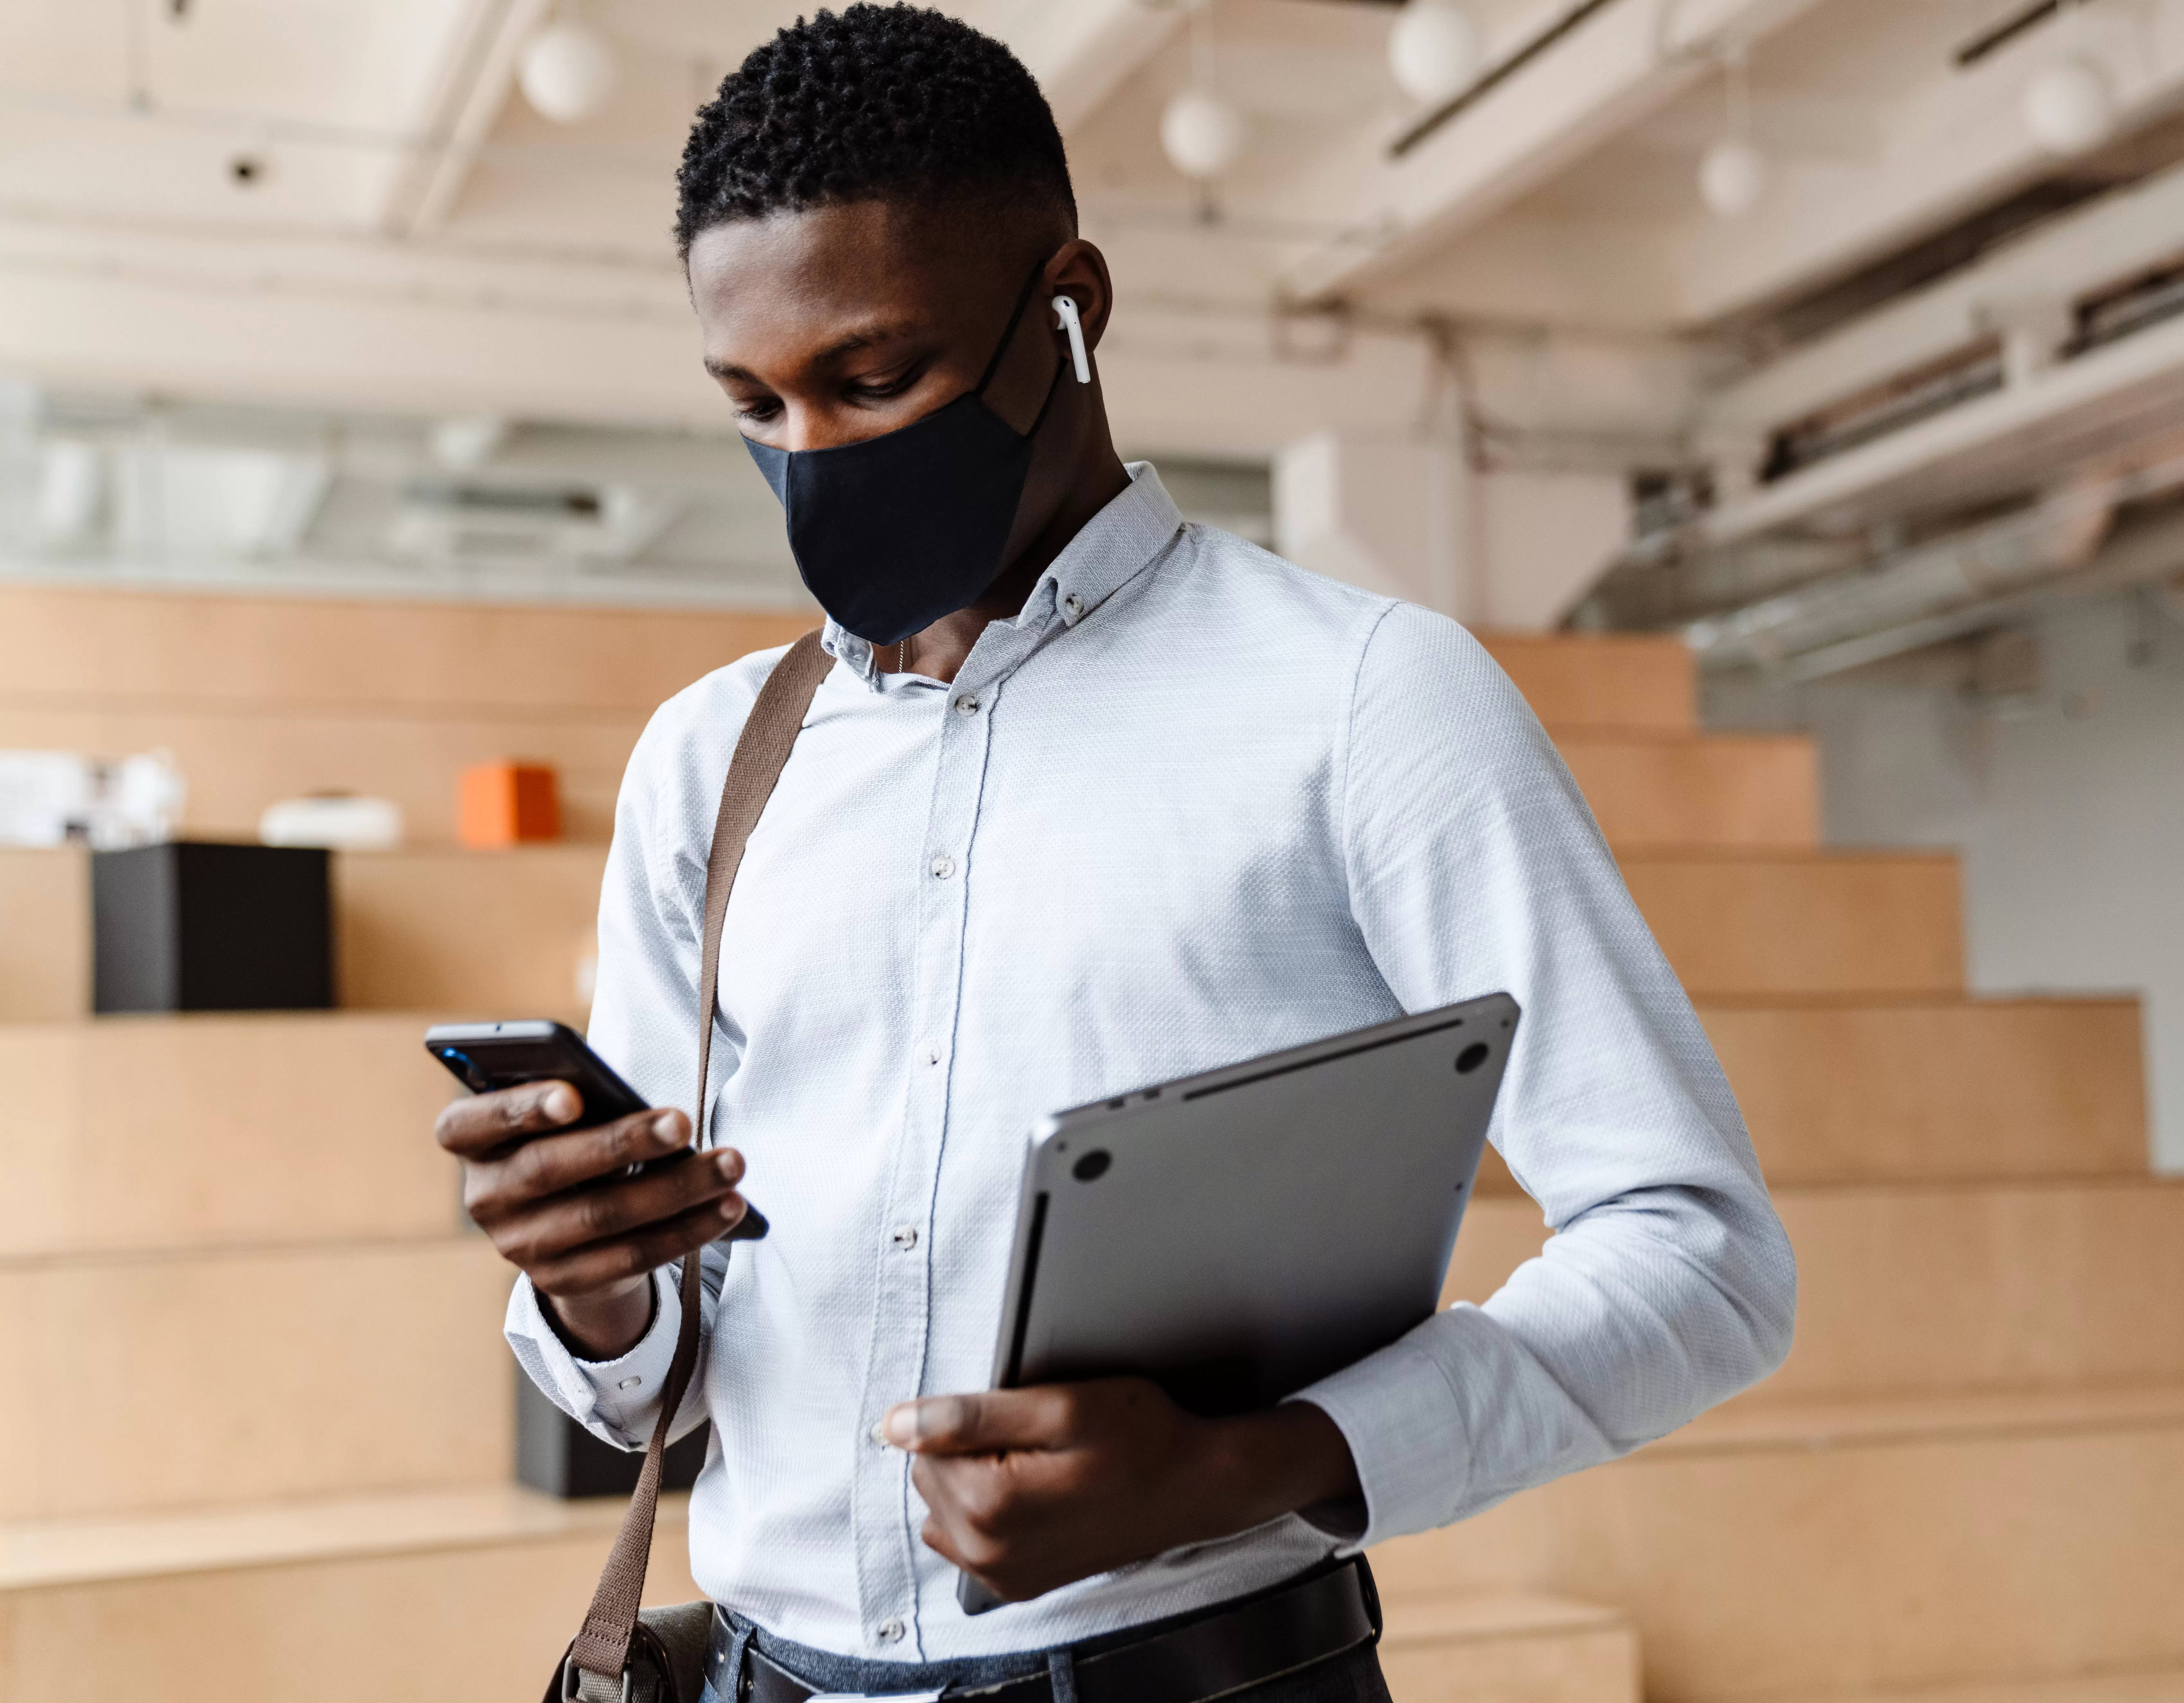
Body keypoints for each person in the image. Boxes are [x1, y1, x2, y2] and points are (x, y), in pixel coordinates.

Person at [434, 8, 1795, 1701]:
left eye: (873, 381)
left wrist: (1255, 1460)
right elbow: (654, 1392)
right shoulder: (707, 765)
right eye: (757, 402)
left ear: (1068, 311)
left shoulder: (1364, 700)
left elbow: (1701, 1252)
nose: (811, 457)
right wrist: (597, 1294)